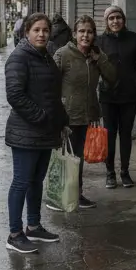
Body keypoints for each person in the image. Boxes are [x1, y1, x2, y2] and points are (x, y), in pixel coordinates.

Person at [3, 13, 67, 254]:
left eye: (45, 30)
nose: (42, 34)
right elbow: (15, 95)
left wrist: (61, 121)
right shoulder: (19, 58)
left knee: (36, 181)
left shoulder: (46, 56)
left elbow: (52, 95)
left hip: (45, 131)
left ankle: (33, 226)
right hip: (26, 132)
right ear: (27, 32)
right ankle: (14, 234)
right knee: (21, 182)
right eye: (36, 30)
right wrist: (41, 117)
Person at [53, 16, 117, 211]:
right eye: (81, 31)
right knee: (65, 158)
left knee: (78, 158)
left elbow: (112, 77)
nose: (85, 35)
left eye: (89, 32)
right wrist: (57, 113)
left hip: (86, 115)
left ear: (94, 35)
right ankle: (59, 196)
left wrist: (99, 60)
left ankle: (76, 194)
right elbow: (50, 85)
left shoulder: (96, 56)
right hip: (66, 116)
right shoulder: (63, 54)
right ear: (74, 34)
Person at [98, 5, 136, 190]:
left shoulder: (133, 38)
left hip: (129, 95)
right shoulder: (100, 41)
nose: (115, 21)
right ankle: (110, 172)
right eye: (111, 18)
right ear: (106, 21)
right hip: (108, 96)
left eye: (118, 17)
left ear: (123, 20)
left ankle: (125, 172)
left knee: (126, 134)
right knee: (109, 134)